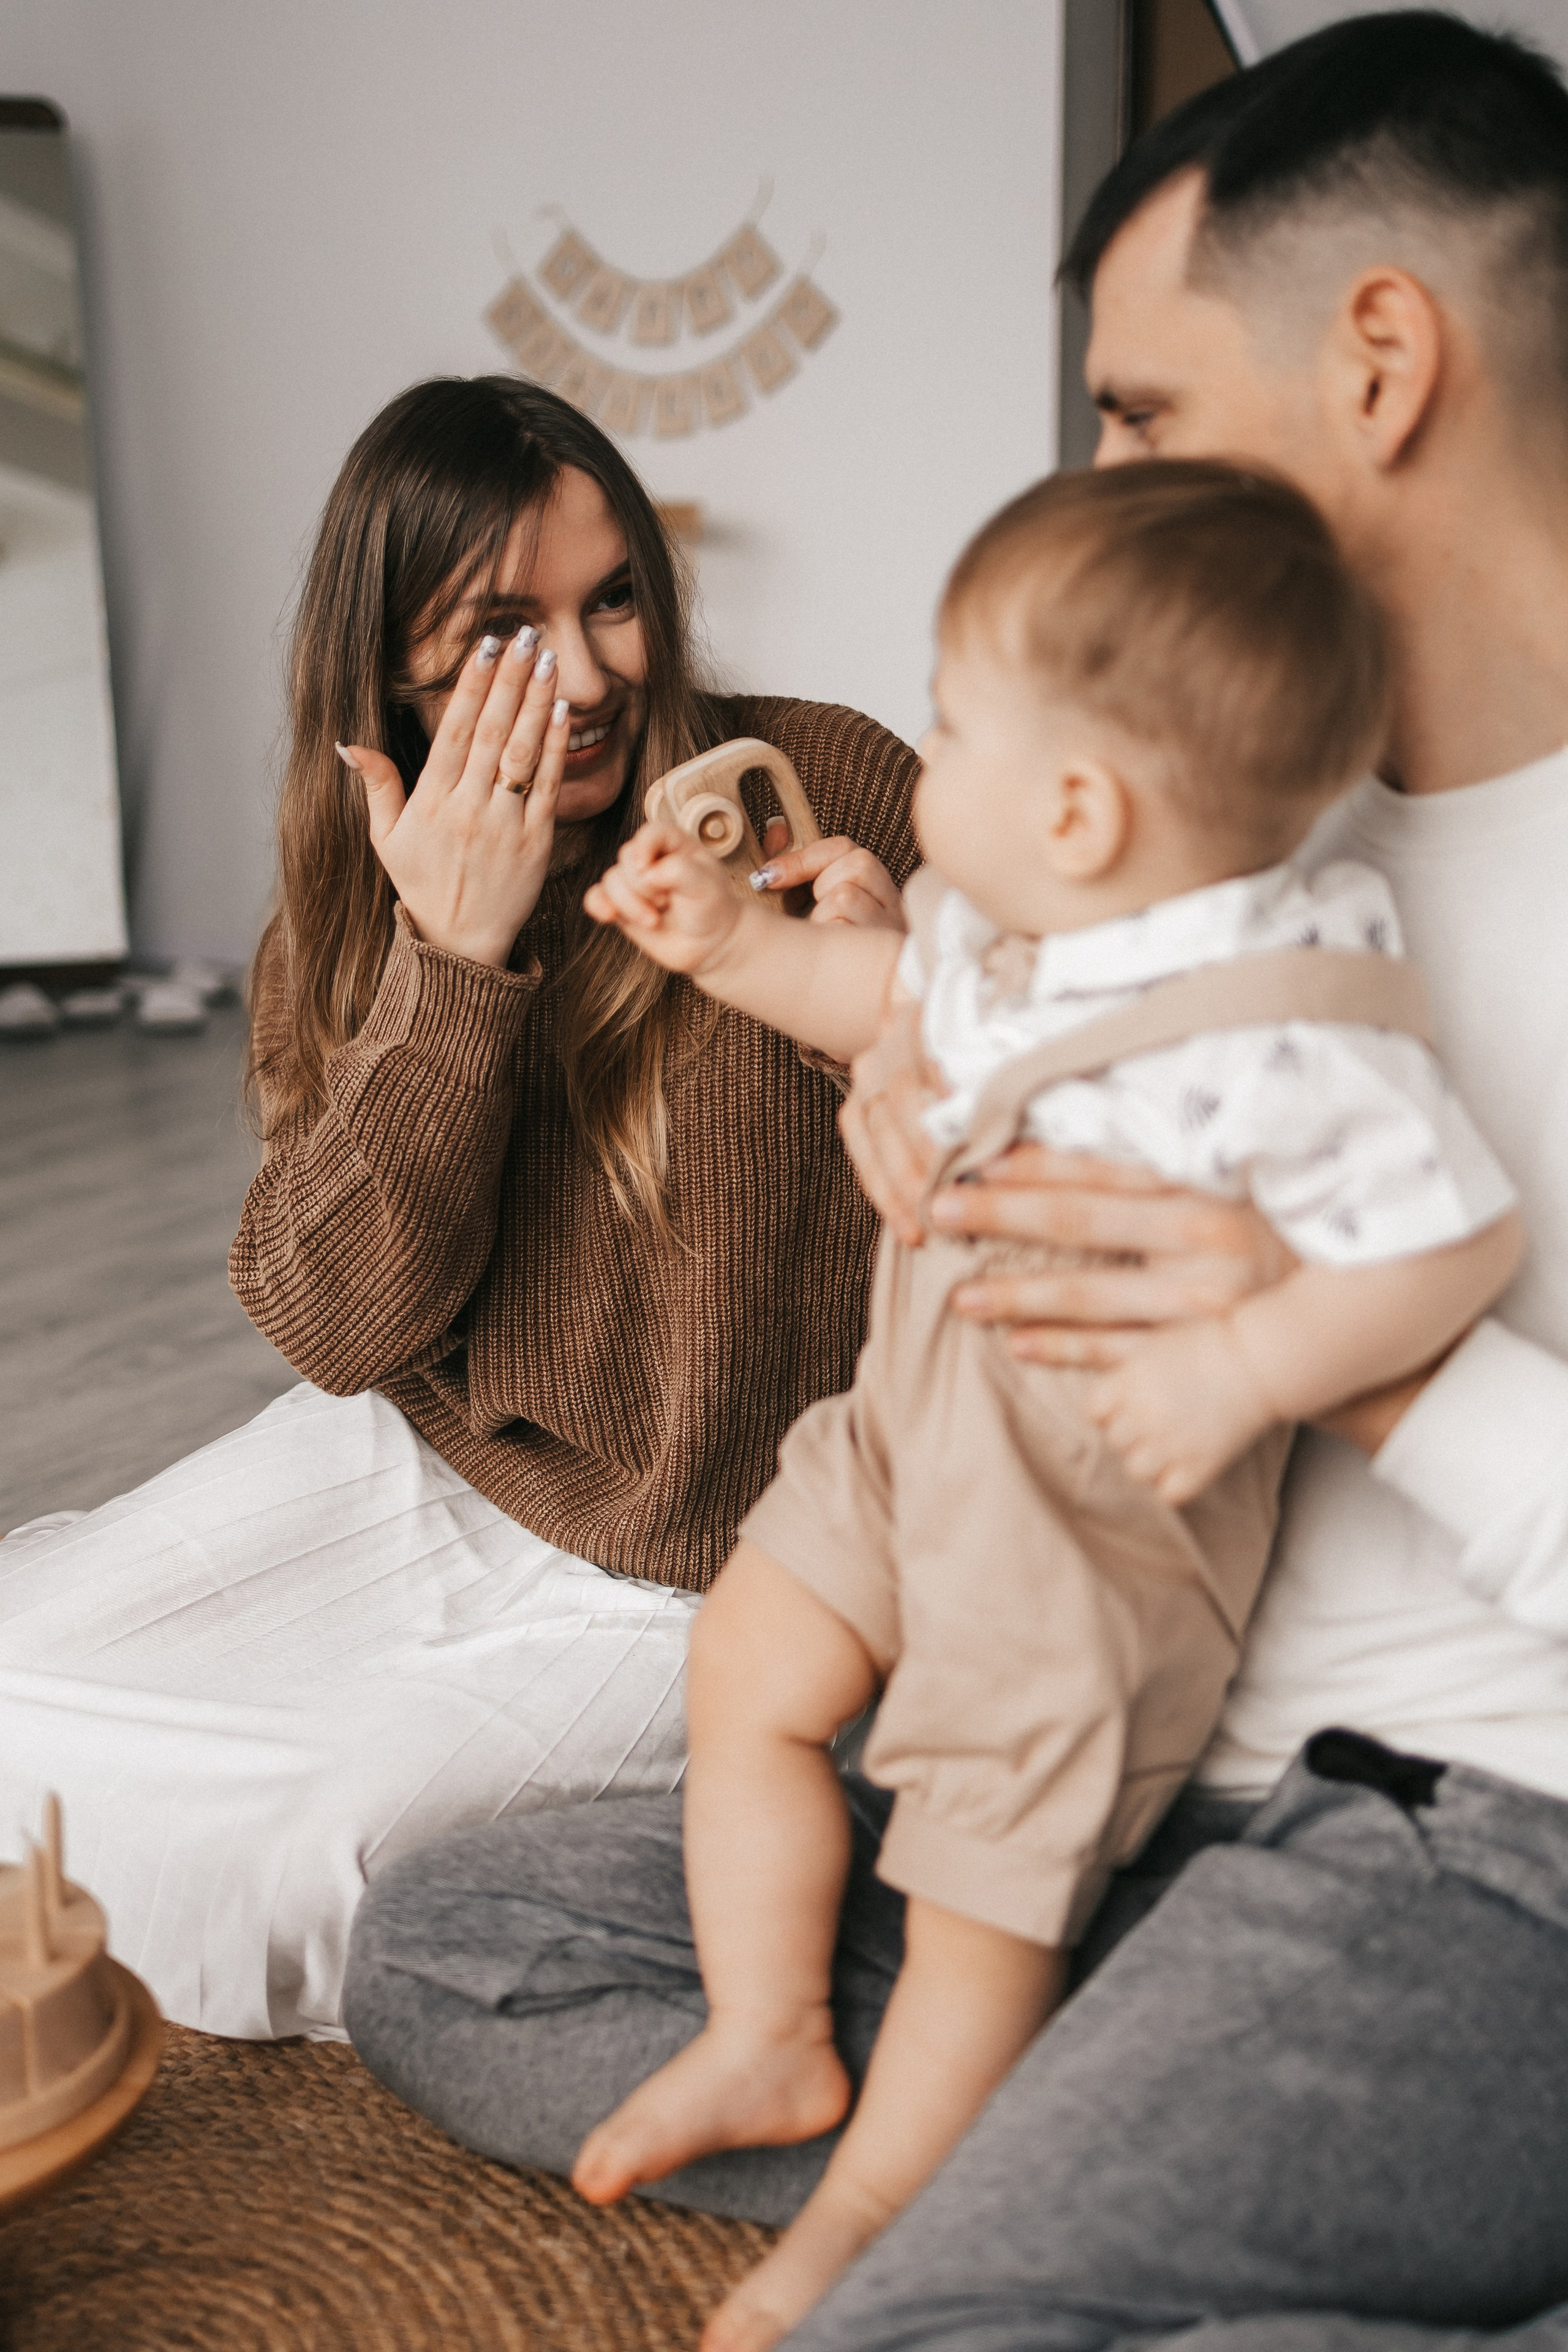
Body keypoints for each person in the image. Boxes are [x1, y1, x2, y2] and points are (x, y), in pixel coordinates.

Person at [344, 16, 1568, 2349]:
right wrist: (909, 1066)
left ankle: (1009, 2199)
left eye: (1138, 415)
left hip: (1470, 1850)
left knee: (899, 2324)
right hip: (1118, 1784)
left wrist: (1324, 1357)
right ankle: (1091, 2156)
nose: (1103, 479)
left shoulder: (1356, 949)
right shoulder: (1205, 820)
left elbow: (1357, 1265)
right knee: (458, 1942)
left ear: (1384, 360)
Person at [567, 457, 1520, 2351]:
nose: (916, 759)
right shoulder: (1010, 938)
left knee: (981, 1880)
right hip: (906, 1421)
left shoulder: (1295, 1024)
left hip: (1084, 1516)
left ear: (1078, 806)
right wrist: (741, 948)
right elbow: (884, 1004)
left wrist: (1245, 1361)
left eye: (944, 724)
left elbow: (1452, 1250)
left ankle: (875, 2214)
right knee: (747, 1664)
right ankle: (772, 2038)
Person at [0, 375, 916, 2039]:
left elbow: (1022, 1174)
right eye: (505, 631)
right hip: (425, 1464)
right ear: (396, 672)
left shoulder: (837, 782)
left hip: (719, 1560)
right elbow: (337, 1325)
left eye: (616, 597)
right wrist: (454, 966)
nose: (587, 677)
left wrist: (876, 1000)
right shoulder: (379, 870)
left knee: (312, 1858)